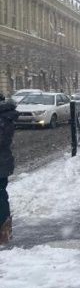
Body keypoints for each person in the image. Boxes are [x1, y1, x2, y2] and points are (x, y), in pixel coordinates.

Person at [0, 93, 18, 245]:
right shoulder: (5, 116)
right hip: (3, 161)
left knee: (0, 195)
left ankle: (4, 233)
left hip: (1, 162)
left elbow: (2, 140)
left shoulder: (3, 118)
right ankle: (5, 232)